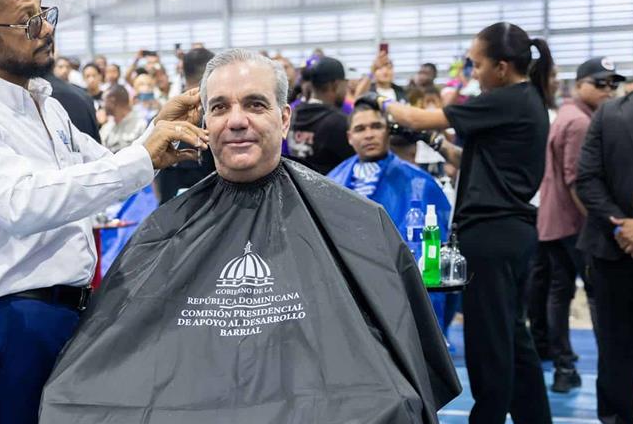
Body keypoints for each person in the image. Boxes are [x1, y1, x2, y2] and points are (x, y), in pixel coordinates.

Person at [40, 48, 461, 422]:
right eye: (220, 107)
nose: (236, 120)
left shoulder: (358, 221)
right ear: (204, 121)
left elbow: (409, 366)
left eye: (255, 104)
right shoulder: (165, 230)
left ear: (284, 117)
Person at [0, 0, 207, 423]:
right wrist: (144, 157)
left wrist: (159, 132)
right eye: (27, 21)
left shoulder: (49, 108)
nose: (44, 29)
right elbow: (24, 203)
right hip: (12, 323)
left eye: (44, 13)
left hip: (69, 311)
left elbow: (102, 169)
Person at [360, 22, 553, 423]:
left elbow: (415, 112)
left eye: (476, 64)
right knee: (513, 337)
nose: (472, 72)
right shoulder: (523, 100)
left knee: (490, 343)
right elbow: (474, 162)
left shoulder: (508, 98)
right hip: (509, 233)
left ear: (501, 67)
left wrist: (381, 97)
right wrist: (432, 142)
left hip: (493, 234)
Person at [576, 23, 633, 424]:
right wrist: (624, 227)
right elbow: (586, 178)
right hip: (614, 250)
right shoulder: (610, 113)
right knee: (616, 356)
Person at [327, 101, 453, 333]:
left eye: (376, 126)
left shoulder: (419, 183)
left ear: (388, 131)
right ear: (349, 137)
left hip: (399, 289)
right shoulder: (329, 183)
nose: (369, 134)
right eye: (360, 129)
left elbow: (438, 254)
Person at [538, 56, 620, 393]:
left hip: (554, 223)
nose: (608, 90)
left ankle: (564, 368)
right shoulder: (580, 123)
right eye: (599, 83)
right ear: (579, 85)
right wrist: (606, 228)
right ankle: (605, 369)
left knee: (560, 293)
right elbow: (577, 184)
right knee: (598, 298)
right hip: (575, 226)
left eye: (612, 84)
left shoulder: (569, 116)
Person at [155, 47, 217, 203]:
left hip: (167, 215)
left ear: (182, 71)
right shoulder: (215, 116)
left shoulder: (165, 113)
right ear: (212, 72)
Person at [286, 56, 354, 174]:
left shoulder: (293, 114)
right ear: (335, 85)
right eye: (345, 85)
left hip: (297, 187)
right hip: (330, 189)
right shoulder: (340, 123)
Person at [43, 59, 101, 143]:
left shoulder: (81, 93)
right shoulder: (45, 92)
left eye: (67, 67)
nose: (65, 70)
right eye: (61, 67)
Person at [99, 85, 147, 153]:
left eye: (104, 101)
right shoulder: (106, 128)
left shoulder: (140, 126)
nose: (102, 105)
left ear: (112, 101)